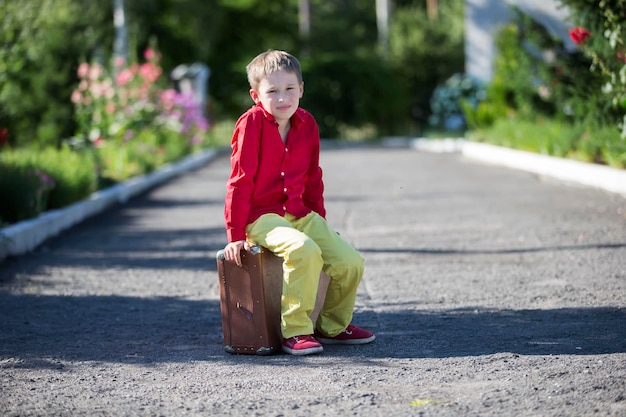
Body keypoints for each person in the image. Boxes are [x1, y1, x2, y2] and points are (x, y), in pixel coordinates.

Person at [222, 50, 375, 356]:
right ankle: (296, 331)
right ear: (256, 95)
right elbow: (239, 182)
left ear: (301, 89)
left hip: (300, 214)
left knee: (349, 261)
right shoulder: (250, 125)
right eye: (272, 91)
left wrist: (321, 223)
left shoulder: (307, 123)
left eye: (290, 89)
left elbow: (313, 176)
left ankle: (331, 326)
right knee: (302, 249)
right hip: (261, 216)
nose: (283, 98)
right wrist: (236, 235)